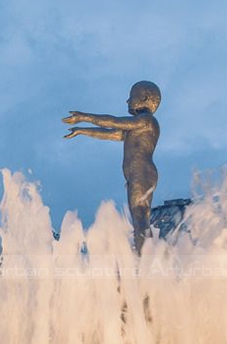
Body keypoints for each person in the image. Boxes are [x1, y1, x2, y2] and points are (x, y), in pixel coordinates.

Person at [63, 81, 161, 254]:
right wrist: (81, 130)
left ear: (144, 98)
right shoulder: (137, 127)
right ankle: (146, 256)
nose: (127, 101)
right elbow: (111, 133)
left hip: (141, 173)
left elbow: (114, 122)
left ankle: (146, 259)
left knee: (140, 218)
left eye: (131, 97)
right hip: (137, 175)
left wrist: (84, 116)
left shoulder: (146, 121)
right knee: (139, 218)